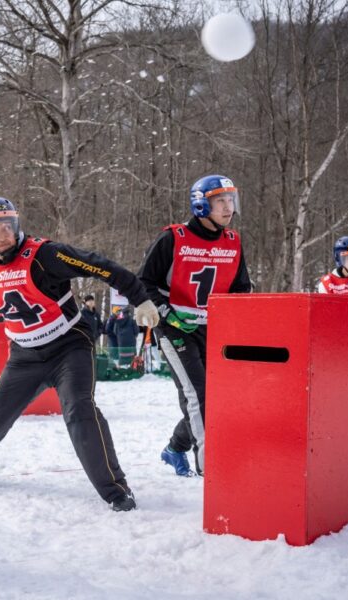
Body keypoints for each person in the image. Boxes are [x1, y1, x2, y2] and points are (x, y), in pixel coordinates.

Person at [0, 197, 160, 511]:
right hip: (24, 356)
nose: (0, 235)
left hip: (68, 347)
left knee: (80, 412)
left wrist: (140, 299)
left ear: (17, 226)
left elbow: (101, 266)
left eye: (6, 227)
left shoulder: (46, 254)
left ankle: (116, 490)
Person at [138, 175, 252, 477]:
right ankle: (210, 468)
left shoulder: (233, 242)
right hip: (175, 328)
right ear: (202, 205)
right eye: (220, 202)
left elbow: (242, 289)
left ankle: (175, 448)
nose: (228, 209)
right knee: (198, 394)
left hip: (215, 330)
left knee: (218, 396)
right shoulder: (173, 238)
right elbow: (142, 283)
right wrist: (166, 315)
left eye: (231, 201)